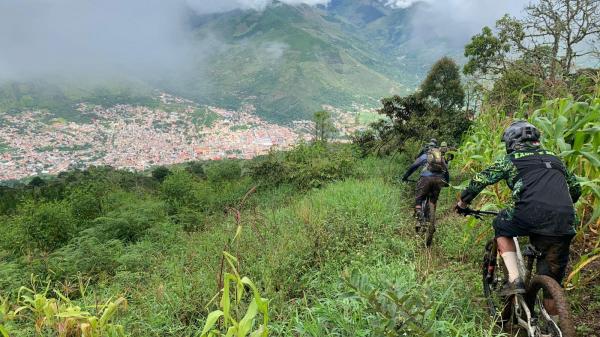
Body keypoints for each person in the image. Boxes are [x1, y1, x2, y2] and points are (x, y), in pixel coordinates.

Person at [455, 121, 581, 311]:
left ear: (511, 142)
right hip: (564, 220)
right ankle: (554, 326)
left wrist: (463, 203)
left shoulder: (510, 159)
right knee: (551, 280)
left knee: (501, 225)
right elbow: (576, 190)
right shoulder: (556, 159)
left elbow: (479, 180)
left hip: (528, 214)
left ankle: (515, 280)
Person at [402, 143, 449, 228]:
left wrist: (405, 177)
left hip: (425, 179)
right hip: (439, 180)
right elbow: (446, 170)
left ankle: (419, 213)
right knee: (433, 201)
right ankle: (431, 220)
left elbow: (413, 166)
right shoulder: (440, 157)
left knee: (419, 197)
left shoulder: (424, 156)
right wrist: (447, 182)